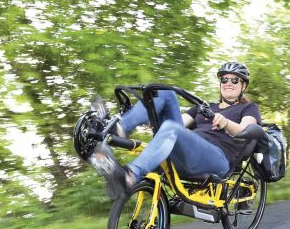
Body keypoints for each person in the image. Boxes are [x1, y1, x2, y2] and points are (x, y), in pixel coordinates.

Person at [90, 61, 262, 200]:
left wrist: (225, 122)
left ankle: (130, 175)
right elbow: (180, 125)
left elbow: (243, 131)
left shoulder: (248, 108)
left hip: (218, 159)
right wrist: (154, 117)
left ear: (243, 86)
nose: (228, 83)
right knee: (164, 93)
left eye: (234, 80)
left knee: (172, 129)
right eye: (224, 80)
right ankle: (119, 128)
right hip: (188, 153)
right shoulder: (205, 107)